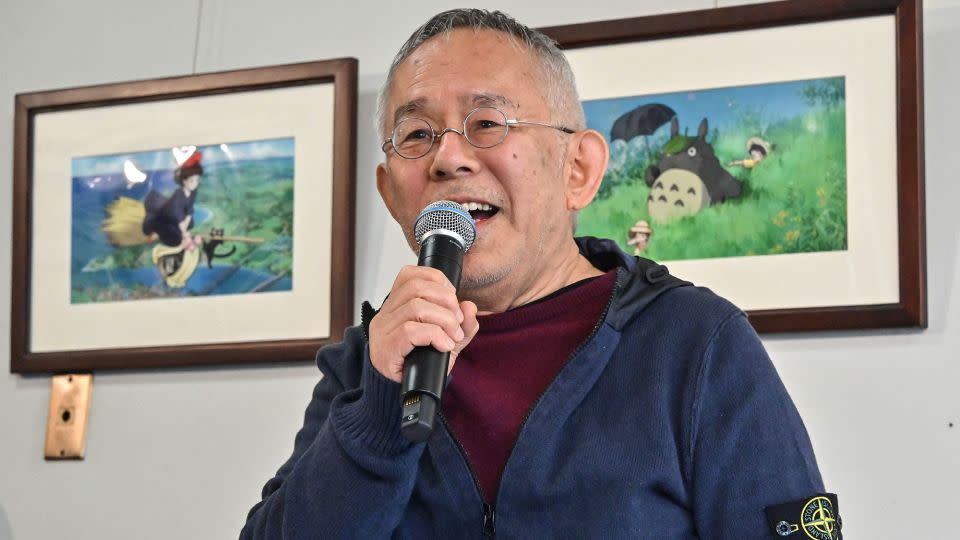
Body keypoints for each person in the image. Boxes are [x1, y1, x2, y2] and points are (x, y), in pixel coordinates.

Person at [241, 9, 839, 539]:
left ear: (578, 168)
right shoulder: (365, 361)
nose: (449, 157)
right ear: (391, 194)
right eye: (418, 134)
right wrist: (378, 411)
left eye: (488, 123)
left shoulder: (698, 343)